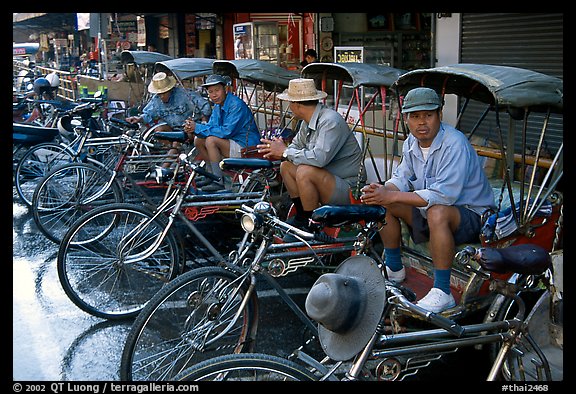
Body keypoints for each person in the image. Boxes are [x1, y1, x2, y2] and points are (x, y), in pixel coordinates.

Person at [360, 87, 496, 313]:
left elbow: (444, 195)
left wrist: (391, 193)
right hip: (432, 211)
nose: (421, 122)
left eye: (428, 115)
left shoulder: (455, 143)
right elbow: (401, 179)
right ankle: (394, 269)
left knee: (437, 211)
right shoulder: (411, 143)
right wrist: (381, 190)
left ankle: (442, 291)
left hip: (472, 216)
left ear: (439, 115)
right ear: (406, 119)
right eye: (415, 116)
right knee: (384, 201)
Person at [257, 78, 364, 241]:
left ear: (296, 105)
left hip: (348, 188)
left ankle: (314, 225)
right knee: (286, 166)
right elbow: (295, 147)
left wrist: (285, 151)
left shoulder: (330, 121)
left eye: (289, 103)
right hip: (325, 180)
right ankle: (303, 216)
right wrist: (285, 152)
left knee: (305, 170)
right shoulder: (306, 123)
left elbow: (318, 159)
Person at [183, 74, 261, 192]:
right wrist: (194, 128)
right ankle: (211, 175)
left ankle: (218, 180)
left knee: (211, 140)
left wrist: (197, 127)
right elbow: (211, 127)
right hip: (231, 143)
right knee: (198, 139)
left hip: (246, 146)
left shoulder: (236, 105)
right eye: (210, 92)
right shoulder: (218, 106)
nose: (214, 95)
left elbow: (226, 131)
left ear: (225, 89)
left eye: (217, 90)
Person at [126, 72, 211, 166]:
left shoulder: (185, 94)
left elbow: (205, 106)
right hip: (172, 129)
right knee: (159, 131)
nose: (161, 96)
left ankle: (165, 166)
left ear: (170, 90)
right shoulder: (156, 100)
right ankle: (173, 153)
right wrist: (138, 119)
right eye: (159, 94)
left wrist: (203, 120)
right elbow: (148, 114)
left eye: (163, 93)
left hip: (189, 129)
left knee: (177, 142)